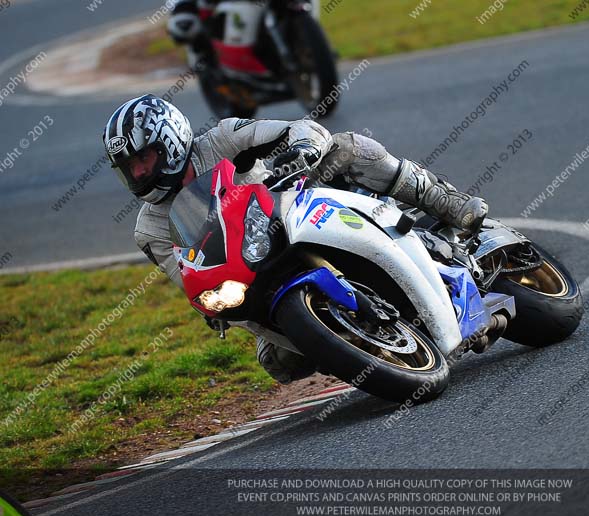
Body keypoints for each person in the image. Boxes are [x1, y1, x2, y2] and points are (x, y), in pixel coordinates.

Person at [102, 94, 488, 383]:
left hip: (294, 212)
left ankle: (447, 203)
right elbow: (190, 276)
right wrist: (212, 307)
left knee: (348, 147)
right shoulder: (149, 230)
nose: (137, 174)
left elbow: (296, 129)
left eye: (143, 160)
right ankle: (363, 345)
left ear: (168, 142)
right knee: (279, 364)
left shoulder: (222, 138)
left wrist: (303, 149)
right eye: (128, 168)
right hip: (251, 274)